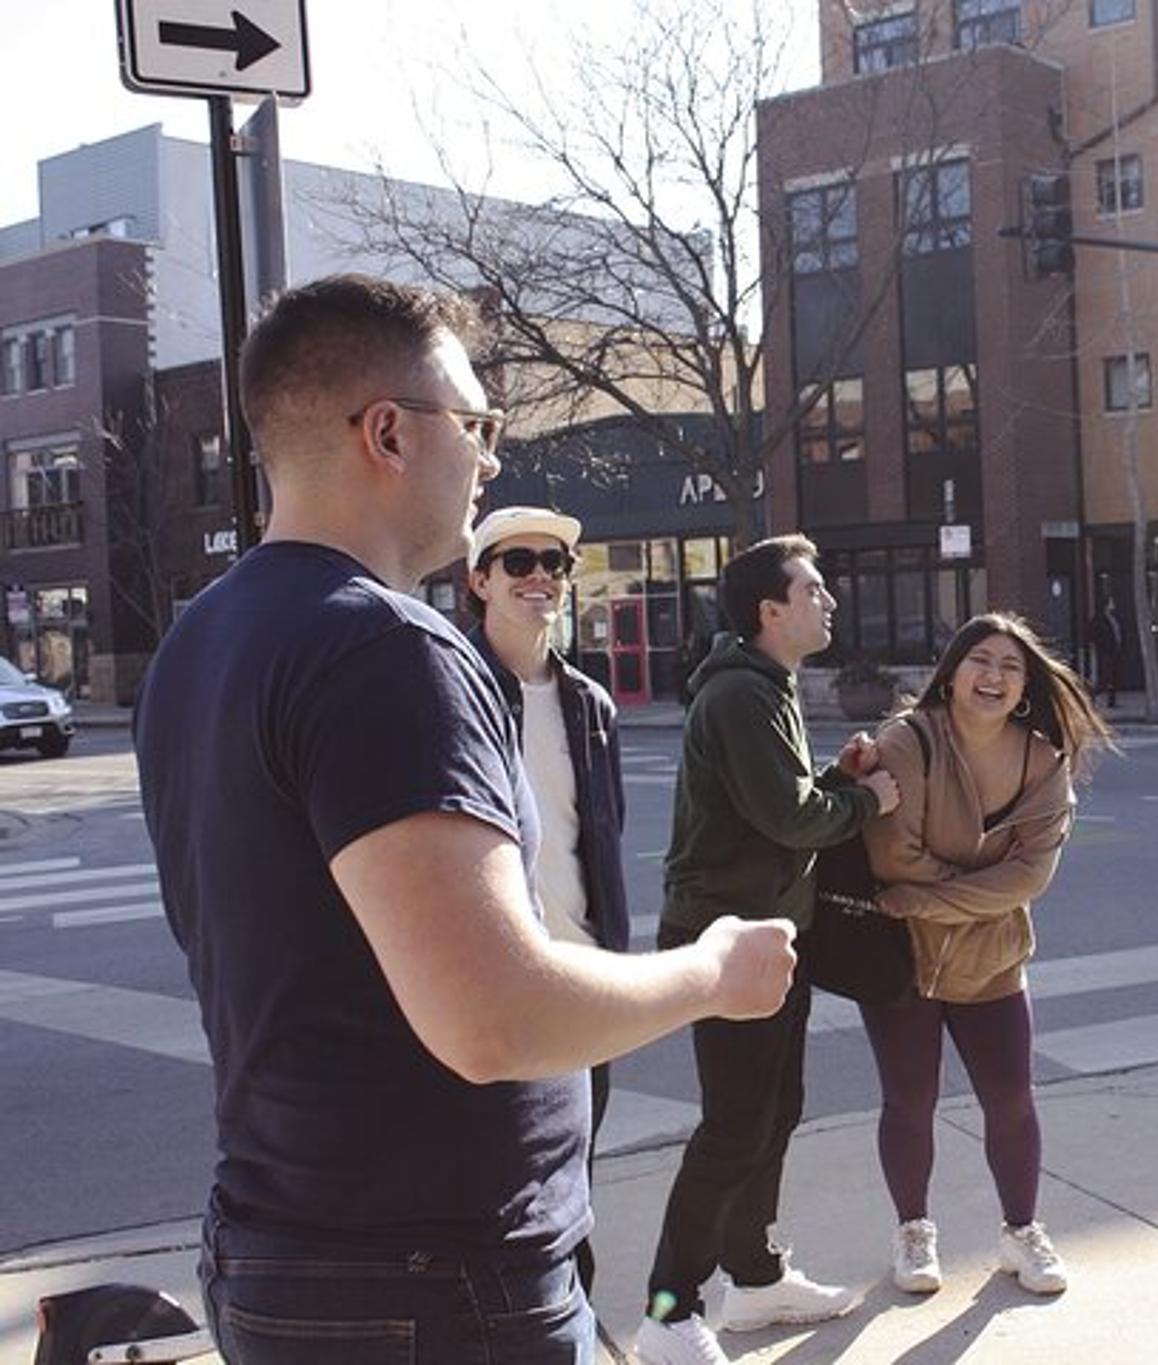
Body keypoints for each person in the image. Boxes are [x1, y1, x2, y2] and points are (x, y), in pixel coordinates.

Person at [133, 275, 796, 1365]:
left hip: (291, 1252)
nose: (491, 459)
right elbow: (493, 1019)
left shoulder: (199, 642)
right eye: (477, 424)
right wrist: (714, 973)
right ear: (388, 433)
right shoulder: (386, 649)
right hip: (431, 1285)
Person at [635, 534, 901, 1365]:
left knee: (773, 1112)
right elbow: (789, 819)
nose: (829, 601)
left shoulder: (766, 685)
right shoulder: (741, 695)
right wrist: (867, 799)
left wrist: (836, 779)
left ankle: (754, 1277)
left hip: (767, 932)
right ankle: (668, 1311)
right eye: (813, 589)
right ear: (770, 610)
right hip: (726, 938)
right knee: (734, 1126)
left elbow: (780, 799)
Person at [858, 612, 1115, 1299]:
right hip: (900, 960)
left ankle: (1021, 1231)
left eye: (1011, 666)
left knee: (1011, 1099)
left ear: (1026, 686)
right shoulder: (908, 739)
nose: (994, 676)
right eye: (981, 660)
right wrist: (976, 890)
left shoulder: (1043, 760)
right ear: (952, 672)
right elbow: (892, 857)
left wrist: (927, 897)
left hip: (993, 960)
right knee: (908, 1101)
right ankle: (913, 1231)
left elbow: (1029, 878)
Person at [465, 505, 628, 1297]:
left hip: (582, 980)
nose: (539, 577)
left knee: (577, 1188)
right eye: (518, 561)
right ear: (480, 579)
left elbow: (602, 842)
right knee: (496, 1192)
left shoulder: (590, 705)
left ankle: (574, 1325)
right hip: (493, 984)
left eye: (554, 564)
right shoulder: (452, 691)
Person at [1088, 596, 1123, 707]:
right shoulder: (1099, 618)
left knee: (1114, 677)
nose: (1113, 604)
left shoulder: (1113, 618)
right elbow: (1092, 633)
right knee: (1105, 678)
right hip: (1105, 652)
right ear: (1106, 605)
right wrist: (1101, 645)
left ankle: (1112, 701)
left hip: (1114, 651)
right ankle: (1090, 695)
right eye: (1111, 602)